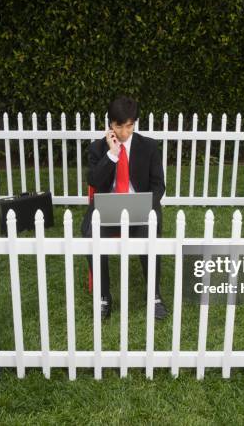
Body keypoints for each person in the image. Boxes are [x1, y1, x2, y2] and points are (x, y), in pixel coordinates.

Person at [81, 96, 168, 320]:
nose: (124, 132)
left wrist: (145, 206)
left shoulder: (148, 146)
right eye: (119, 126)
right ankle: (104, 296)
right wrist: (112, 154)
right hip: (106, 208)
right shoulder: (98, 148)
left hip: (140, 206)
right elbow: (95, 182)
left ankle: (154, 294)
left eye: (129, 126)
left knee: (150, 236)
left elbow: (159, 184)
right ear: (111, 124)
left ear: (134, 123)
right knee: (91, 235)